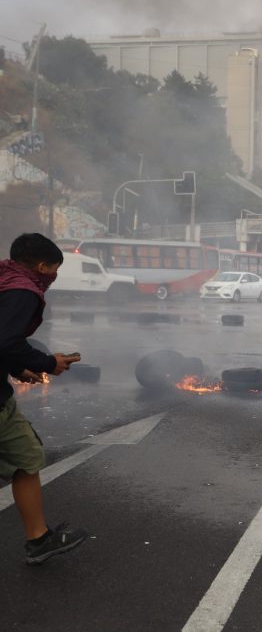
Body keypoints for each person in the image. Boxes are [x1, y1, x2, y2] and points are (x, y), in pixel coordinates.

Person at [0, 233, 86, 563]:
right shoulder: (22, 290)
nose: (53, 277)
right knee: (26, 457)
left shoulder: (5, 277)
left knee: (26, 456)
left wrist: (17, 369)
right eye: (53, 270)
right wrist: (48, 362)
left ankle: (39, 539)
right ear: (40, 266)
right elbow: (6, 340)